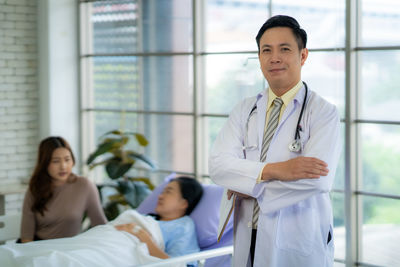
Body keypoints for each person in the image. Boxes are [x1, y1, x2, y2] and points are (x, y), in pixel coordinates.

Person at [209, 15, 341, 267]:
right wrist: (276, 171)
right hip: (248, 232)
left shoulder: (323, 112)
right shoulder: (244, 110)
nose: (274, 58)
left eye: (285, 49)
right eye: (266, 50)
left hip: (297, 237)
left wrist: (249, 185)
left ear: (303, 56)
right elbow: (218, 166)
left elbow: (317, 181)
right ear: (259, 57)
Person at [20, 136, 107, 243]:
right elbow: (26, 236)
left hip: (69, 250)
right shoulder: (35, 188)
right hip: (38, 248)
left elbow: (100, 225)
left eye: (67, 159)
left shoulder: (85, 186)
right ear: (45, 163)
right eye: (56, 161)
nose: (63, 166)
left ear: (73, 161)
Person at [115, 177, 203, 263]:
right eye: (162, 192)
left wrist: (143, 237)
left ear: (184, 203)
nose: (160, 196)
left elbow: (177, 264)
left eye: (168, 192)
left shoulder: (183, 225)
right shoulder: (148, 218)